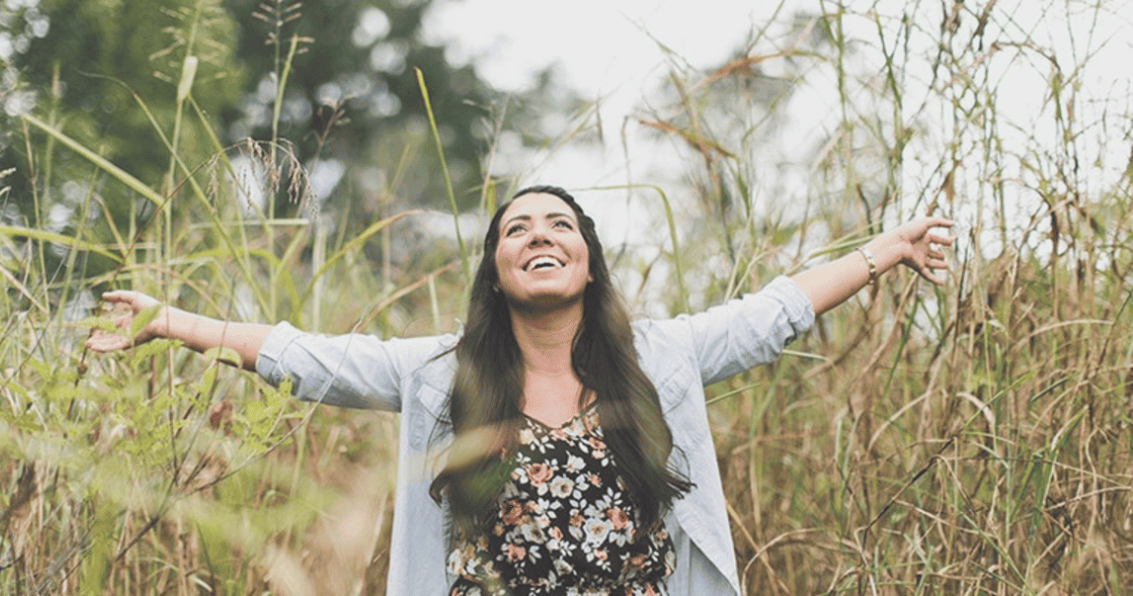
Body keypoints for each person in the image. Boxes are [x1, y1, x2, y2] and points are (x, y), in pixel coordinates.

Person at [86, 185, 953, 595]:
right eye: (518, 230)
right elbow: (311, 359)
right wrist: (175, 321)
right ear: (496, 271)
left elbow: (774, 312)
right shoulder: (441, 374)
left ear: (587, 262)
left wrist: (887, 250)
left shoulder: (661, 358)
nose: (540, 236)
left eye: (560, 226)